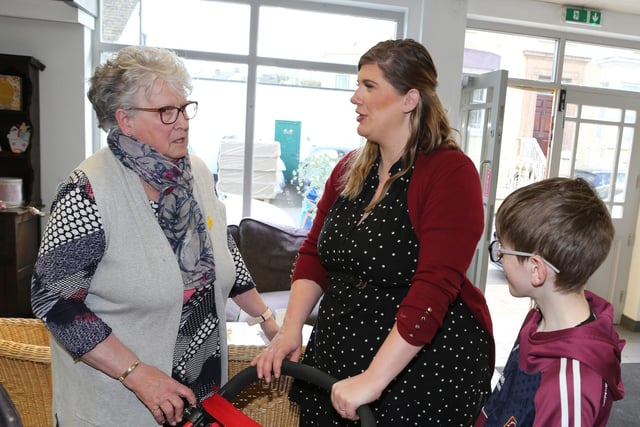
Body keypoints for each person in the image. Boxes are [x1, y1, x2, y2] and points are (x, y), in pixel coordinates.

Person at [30, 46, 278, 426]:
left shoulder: (194, 171)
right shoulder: (88, 190)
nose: (182, 122)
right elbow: (54, 302)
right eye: (166, 112)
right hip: (119, 406)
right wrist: (137, 374)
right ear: (125, 120)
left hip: (200, 393)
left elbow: (223, 251)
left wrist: (266, 319)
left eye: (184, 107)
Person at [253, 38, 495, 426]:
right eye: (357, 84)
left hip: (412, 371)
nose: (355, 97)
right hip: (336, 354)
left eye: (368, 86)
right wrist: (290, 331)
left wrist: (374, 379)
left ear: (409, 99)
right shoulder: (350, 168)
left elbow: (435, 286)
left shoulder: (450, 174)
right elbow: (315, 254)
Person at [474, 177, 625, 427]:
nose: (498, 254)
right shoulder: (538, 318)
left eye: (503, 248)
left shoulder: (570, 385)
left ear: (536, 269)